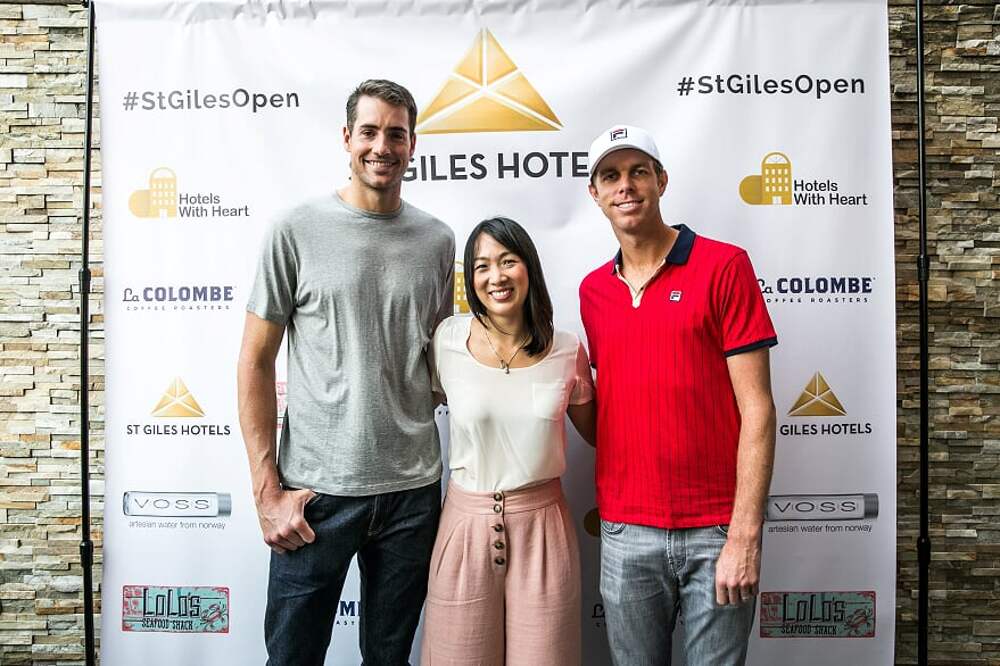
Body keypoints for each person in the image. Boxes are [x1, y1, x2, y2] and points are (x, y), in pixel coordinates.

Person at [237, 79, 455, 666]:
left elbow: (440, 362)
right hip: (316, 495)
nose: (383, 146)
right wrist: (266, 491)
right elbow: (255, 361)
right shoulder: (295, 229)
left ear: (412, 144)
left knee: (389, 659)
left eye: (396, 134)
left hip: (412, 493)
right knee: (292, 658)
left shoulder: (438, 241)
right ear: (347, 138)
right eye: (370, 132)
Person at [579, 125, 777, 665]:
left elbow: (758, 409)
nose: (625, 186)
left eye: (638, 171)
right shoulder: (593, 291)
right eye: (610, 176)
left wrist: (744, 535)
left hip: (716, 528)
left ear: (661, 181)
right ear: (594, 193)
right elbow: (613, 411)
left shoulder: (724, 266)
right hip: (625, 530)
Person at [421, 217, 596, 666]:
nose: (495, 276)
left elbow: (602, 434)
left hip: (544, 529)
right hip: (465, 526)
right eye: (482, 266)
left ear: (529, 267)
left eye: (507, 261)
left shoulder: (567, 348)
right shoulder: (447, 340)